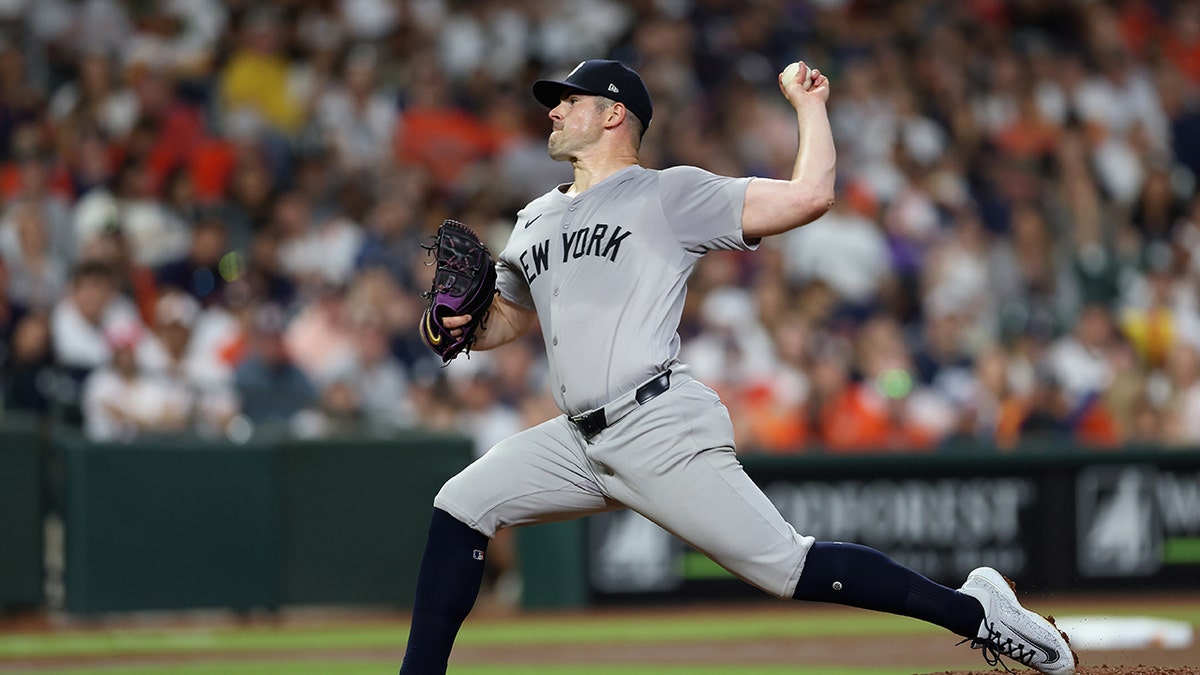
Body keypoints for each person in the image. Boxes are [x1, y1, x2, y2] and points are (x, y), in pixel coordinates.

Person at [398, 60, 1076, 675]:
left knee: (789, 566)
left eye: (569, 102)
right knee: (462, 504)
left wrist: (810, 106)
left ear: (613, 114)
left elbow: (810, 195)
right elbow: (508, 320)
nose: (552, 111)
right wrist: (452, 324)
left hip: (656, 423)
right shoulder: (534, 220)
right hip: (577, 437)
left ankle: (979, 612)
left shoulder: (667, 194)